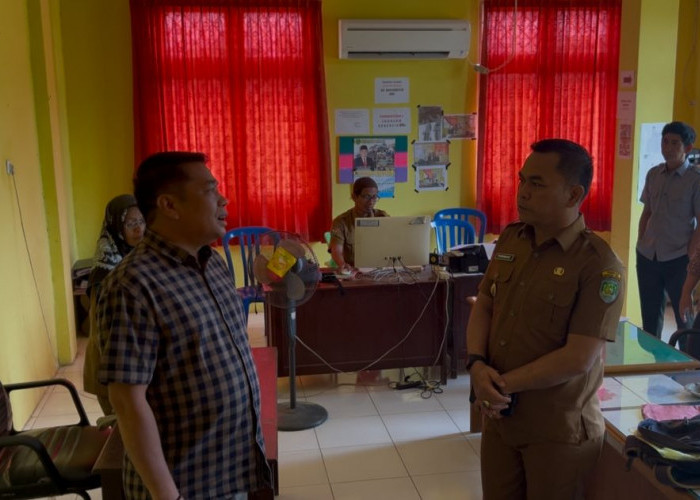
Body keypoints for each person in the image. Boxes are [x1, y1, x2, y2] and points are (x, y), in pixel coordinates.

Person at [96, 152, 270, 499]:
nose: (224, 199)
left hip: (230, 470)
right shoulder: (132, 285)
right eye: (209, 190)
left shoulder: (213, 263)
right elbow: (128, 403)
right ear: (169, 205)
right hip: (184, 485)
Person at [466, 139, 625, 499]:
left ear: (573, 194)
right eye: (522, 180)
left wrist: (498, 386)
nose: (522, 192)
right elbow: (485, 305)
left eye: (536, 184)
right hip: (502, 421)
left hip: (557, 433)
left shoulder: (598, 264)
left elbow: (578, 357)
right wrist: (476, 365)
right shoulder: (511, 240)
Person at [83, 194, 145, 415]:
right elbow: (106, 331)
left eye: (142, 221)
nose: (139, 229)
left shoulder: (140, 256)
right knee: (121, 434)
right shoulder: (106, 273)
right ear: (116, 227)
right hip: (112, 368)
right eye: (130, 224)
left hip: (135, 369)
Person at [637, 121, 699, 337]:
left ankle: (688, 364)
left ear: (688, 148)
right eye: (665, 141)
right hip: (648, 255)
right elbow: (647, 212)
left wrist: (690, 255)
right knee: (650, 316)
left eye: (675, 143)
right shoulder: (654, 174)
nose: (668, 147)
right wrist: (641, 240)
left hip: (678, 256)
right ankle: (656, 364)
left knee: (684, 317)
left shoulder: (695, 180)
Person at [329, 176, 388, 272]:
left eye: (374, 197)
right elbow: (337, 251)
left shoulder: (383, 217)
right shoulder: (341, 222)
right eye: (366, 197)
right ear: (354, 197)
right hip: (354, 271)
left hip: (379, 270)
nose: (371, 202)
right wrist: (343, 265)